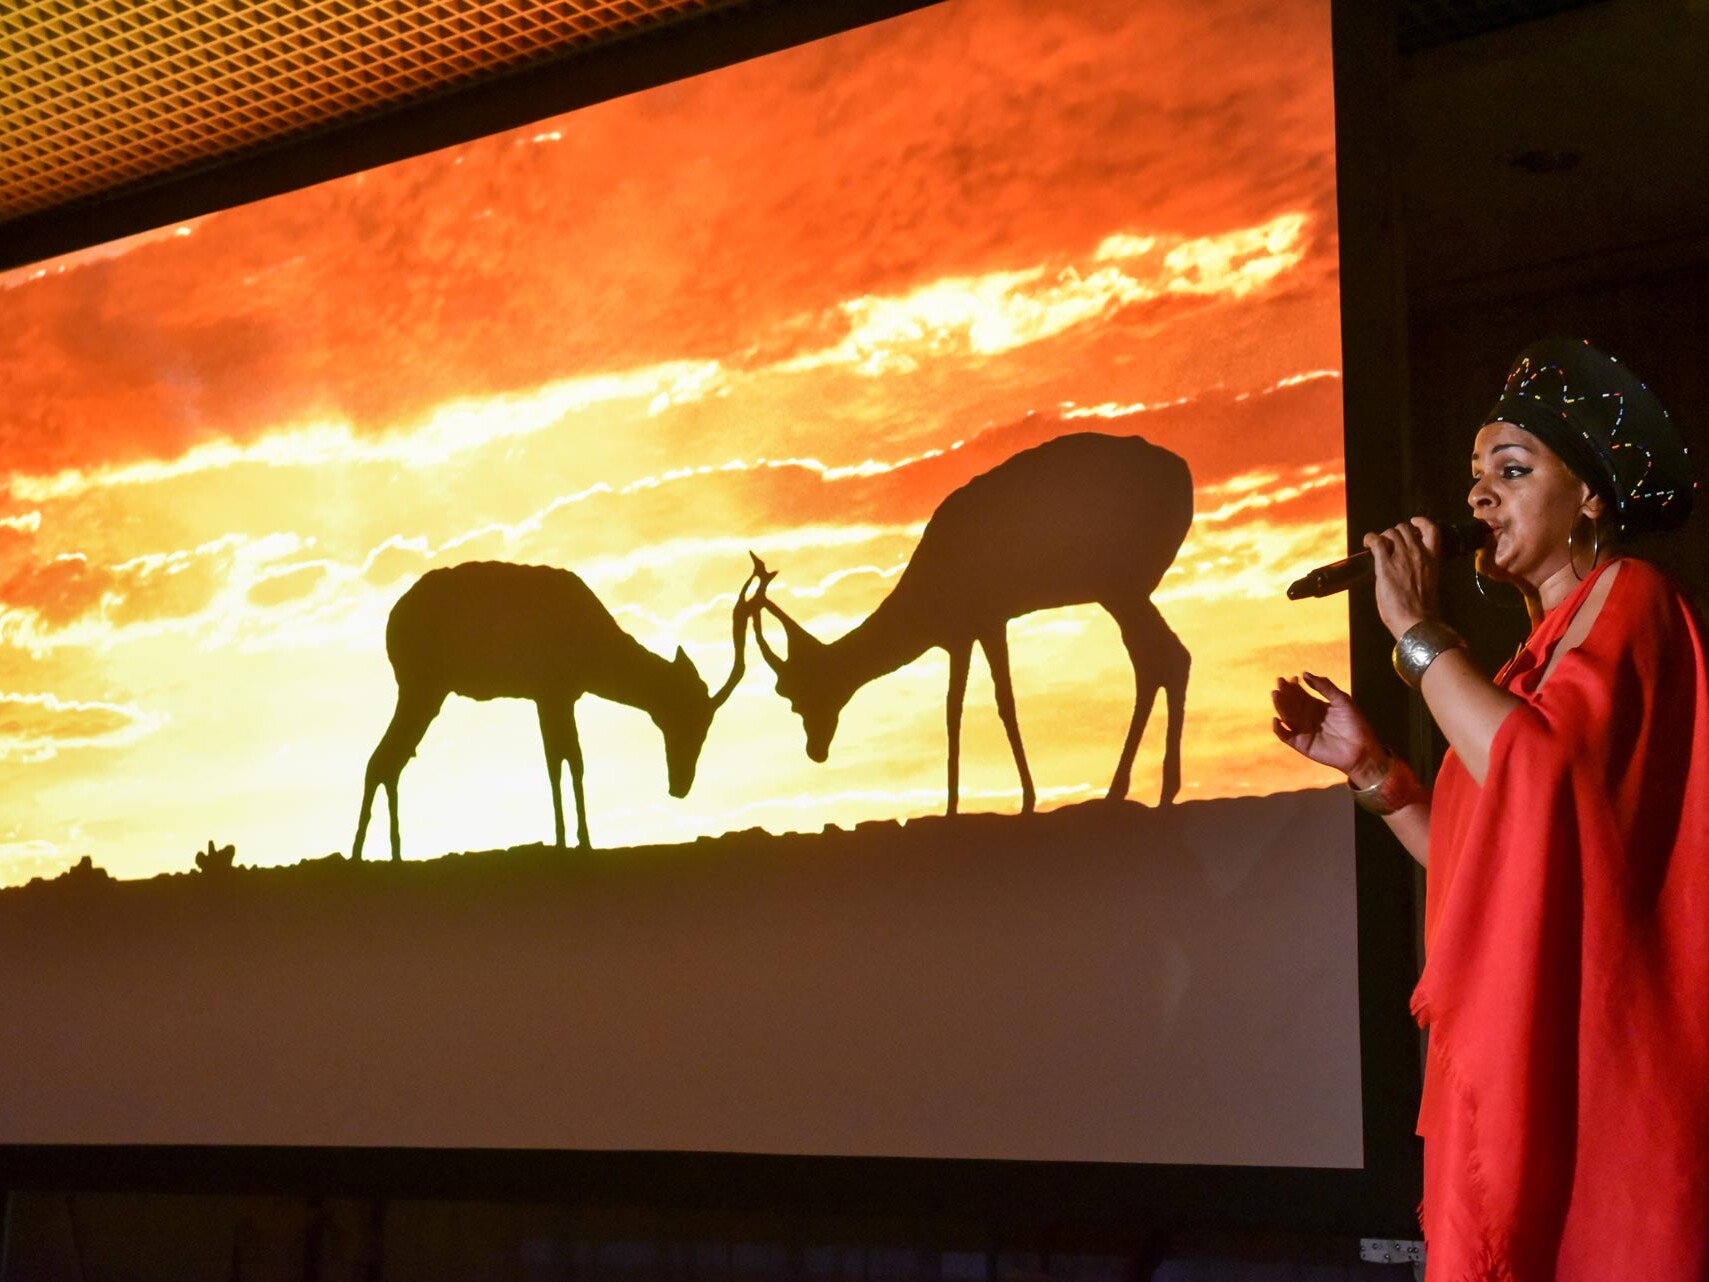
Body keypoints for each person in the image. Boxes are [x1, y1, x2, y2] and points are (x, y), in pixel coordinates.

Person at [1271, 338, 1709, 1281]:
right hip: (1531, 1047)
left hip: (1599, 1061)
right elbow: (1487, 866)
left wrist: (1416, 635)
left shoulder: (1631, 597)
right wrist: (1376, 772)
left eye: (1509, 471)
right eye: (1473, 476)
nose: (1475, 499)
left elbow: (1539, 774)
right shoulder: (1518, 666)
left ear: (1588, 496)